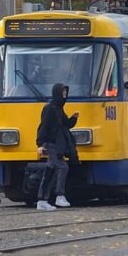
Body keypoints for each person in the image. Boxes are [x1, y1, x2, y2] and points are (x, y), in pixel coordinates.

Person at [35, 82, 79, 211]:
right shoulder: (49, 108)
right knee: (62, 166)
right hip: (50, 143)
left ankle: (42, 200)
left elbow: (65, 124)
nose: (65, 95)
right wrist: (39, 144)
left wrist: (74, 118)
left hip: (56, 144)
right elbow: (43, 127)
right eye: (63, 92)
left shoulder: (59, 109)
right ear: (58, 93)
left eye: (66, 92)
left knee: (50, 170)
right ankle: (59, 195)